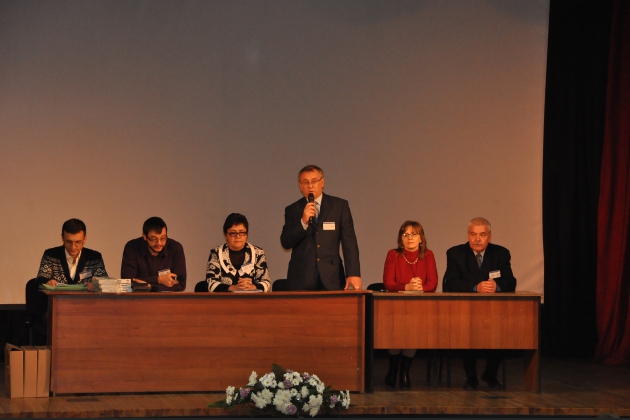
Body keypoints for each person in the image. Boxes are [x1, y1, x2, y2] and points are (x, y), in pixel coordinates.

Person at [443, 217, 517, 390]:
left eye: (482, 235)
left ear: (489, 237)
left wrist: (497, 286)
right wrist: (476, 287)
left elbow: (511, 282)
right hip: (465, 310)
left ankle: (490, 374)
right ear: (468, 235)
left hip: (494, 311)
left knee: (501, 333)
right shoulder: (455, 253)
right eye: (473, 234)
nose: (477, 239)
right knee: (467, 333)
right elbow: (450, 283)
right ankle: (471, 378)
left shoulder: (501, 253)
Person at [280, 165, 361, 291]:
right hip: (301, 279)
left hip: (332, 277)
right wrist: (303, 222)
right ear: (300, 186)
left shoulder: (339, 206)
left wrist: (353, 273)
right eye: (306, 182)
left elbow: (349, 242)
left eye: (314, 181)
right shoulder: (292, 209)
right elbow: (286, 242)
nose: (310, 186)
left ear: (322, 182)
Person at [26, 218, 108, 343]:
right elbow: (40, 278)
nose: (73, 247)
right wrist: (48, 281)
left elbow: (104, 281)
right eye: (69, 242)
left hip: (85, 310)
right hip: (56, 310)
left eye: (78, 242)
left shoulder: (94, 257)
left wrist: (95, 284)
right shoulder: (51, 255)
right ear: (62, 238)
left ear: (85, 238)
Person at [382, 220, 438, 388]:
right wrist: (407, 287)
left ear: (421, 238)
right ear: (401, 238)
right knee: (395, 334)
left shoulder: (428, 255)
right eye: (406, 234)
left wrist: (420, 288)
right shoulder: (393, 255)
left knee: (412, 334)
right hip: (396, 305)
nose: (410, 238)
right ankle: (393, 369)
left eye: (414, 234)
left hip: (418, 306)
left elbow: (433, 283)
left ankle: (404, 372)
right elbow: (388, 283)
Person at [205, 213, 271, 292]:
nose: (238, 236)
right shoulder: (216, 253)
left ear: (247, 235)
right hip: (225, 299)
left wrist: (250, 287)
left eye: (242, 232)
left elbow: (266, 283)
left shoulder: (258, 253)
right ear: (226, 235)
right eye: (233, 233)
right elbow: (211, 284)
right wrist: (234, 288)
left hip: (251, 299)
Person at [121, 217, 187, 292]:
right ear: (145, 237)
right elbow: (127, 283)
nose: (159, 243)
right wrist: (159, 280)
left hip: (165, 298)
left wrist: (150, 287)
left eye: (163, 238)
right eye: (154, 239)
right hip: (139, 298)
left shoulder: (175, 248)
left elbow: (180, 284)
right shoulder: (132, 247)